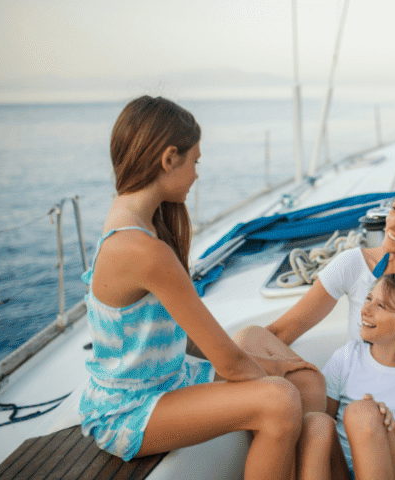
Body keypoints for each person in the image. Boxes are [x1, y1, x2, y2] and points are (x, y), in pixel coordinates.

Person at [78, 95, 312, 479]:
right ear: (169, 158)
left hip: (168, 378)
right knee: (281, 399)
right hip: (128, 410)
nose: (197, 174)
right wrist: (273, 378)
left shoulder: (133, 220)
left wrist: (280, 370)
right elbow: (230, 362)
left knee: (295, 378)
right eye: (194, 161)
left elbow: (194, 343)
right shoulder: (144, 250)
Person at [238, 167, 395, 479]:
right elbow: (280, 333)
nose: (393, 225)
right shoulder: (352, 265)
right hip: (358, 419)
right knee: (250, 338)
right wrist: (235, 370)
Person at [311, 274, 395, 480]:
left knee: (363, 412)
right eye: (368, 299)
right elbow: (327, 418)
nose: (365, 309)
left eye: (381, 306)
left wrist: (388, 424)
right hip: (340, 468)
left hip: (387, 467)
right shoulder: (347, 357)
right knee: (316, 422)